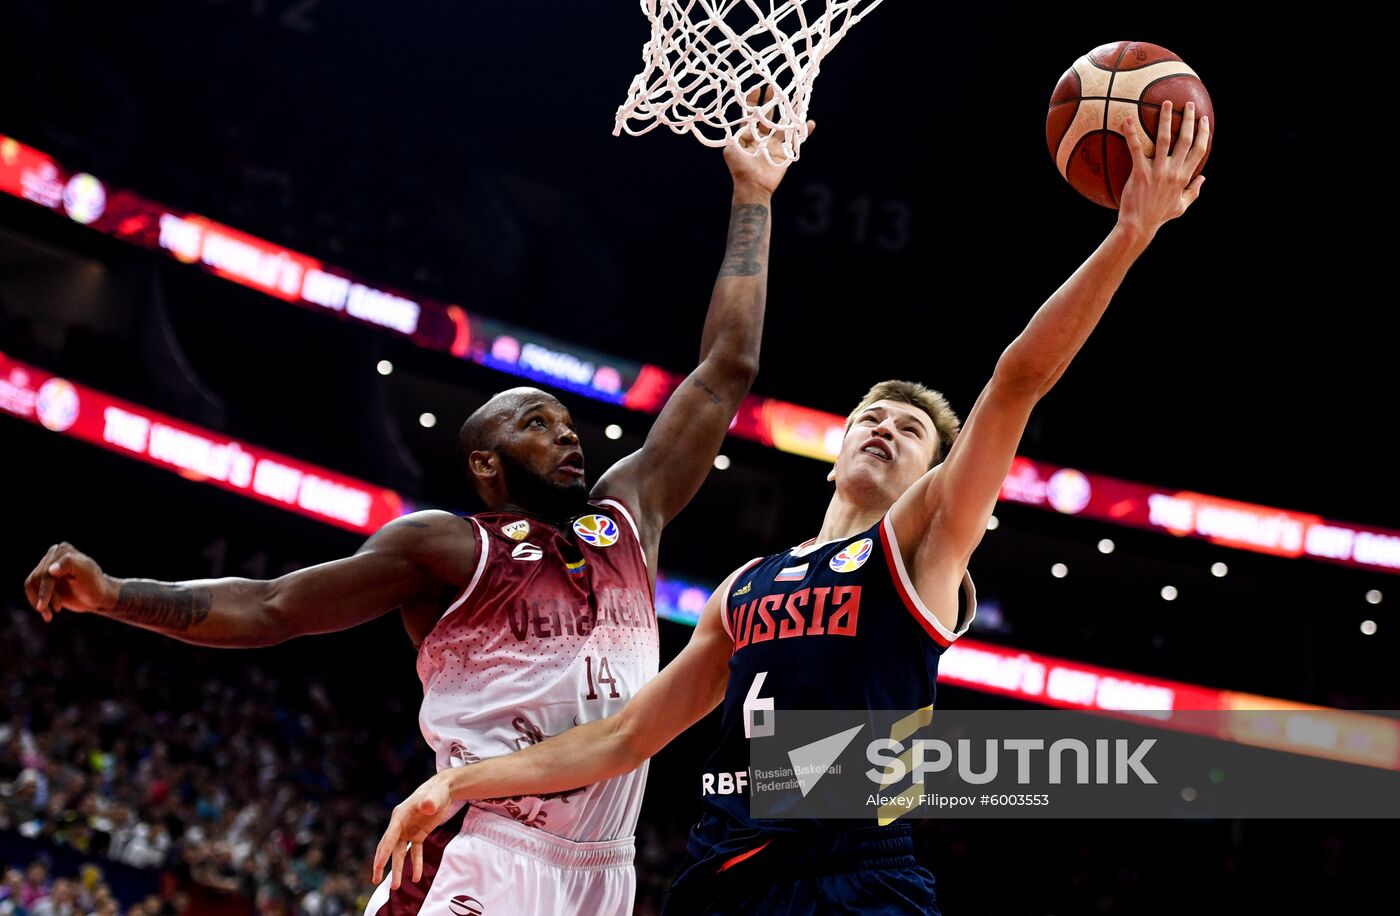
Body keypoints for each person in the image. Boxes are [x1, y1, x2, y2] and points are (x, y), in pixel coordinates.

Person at [373, 103, 1210, 914]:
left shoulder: (922, 546)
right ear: (837, 452)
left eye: (911, 429)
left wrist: (1130, 234)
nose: (884, 428)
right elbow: (623, 739)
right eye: (870, 418)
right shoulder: (746, 586)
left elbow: (1017, 380)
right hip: (723, 878)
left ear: (938, 473)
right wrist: (453, 782)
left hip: (855, 875)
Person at [23, 117, 810, 916]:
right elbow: (274, 606)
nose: (565, 431)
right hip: (482, 842)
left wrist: (752, 195)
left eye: (568, 422)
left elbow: (726, 369)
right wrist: (117, 594)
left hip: (605, 870)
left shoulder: (628, 515)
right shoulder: (447, 546)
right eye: (535, 422)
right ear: (484, 463)